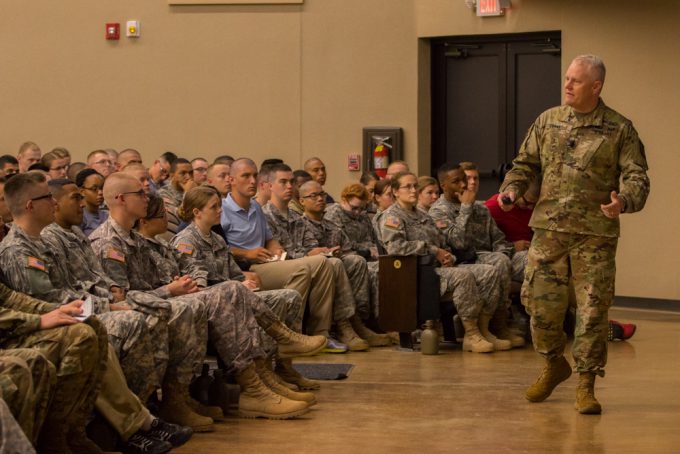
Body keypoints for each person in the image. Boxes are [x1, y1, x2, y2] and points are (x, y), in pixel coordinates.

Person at [497, 54, 650, 414]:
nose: (567, 85)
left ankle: (586, 383)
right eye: (567, 78)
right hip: (549, 230)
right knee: (539, 304)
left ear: (596, 87)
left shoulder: (619, 130)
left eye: (576, 81)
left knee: (592, 311)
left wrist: (623, 202)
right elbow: (524, 165)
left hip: (593, 236)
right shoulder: (547, 121)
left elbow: (638, 177)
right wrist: (512, 190)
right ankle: (553, 364)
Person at [167, 188, 327, 395]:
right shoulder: (185, 242)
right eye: (213, 207)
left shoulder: (217, 239)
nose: (219, 211)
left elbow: (235, 274)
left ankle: (283, 365)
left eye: (219, 206)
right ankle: (265, 368)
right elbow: (198, 286)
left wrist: (245, 281)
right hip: (211, 306)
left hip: (232, 296)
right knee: (235, 289)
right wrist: (236, 285)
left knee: (289, 296)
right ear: (197, 212)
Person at [89, 173, 215, 431]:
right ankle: (149, 405)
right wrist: (169, 291)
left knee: (193, 303)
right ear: (121, 199)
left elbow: (150, 283)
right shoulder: (108, 242)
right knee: (181, 307)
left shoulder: (134, 238)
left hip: (146, 303)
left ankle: (177, 397)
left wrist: (174, 286)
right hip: (122, 311)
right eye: (141, 194)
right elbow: (120, 298)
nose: (148, 198)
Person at [219, 159, 337, 347]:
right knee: (309, 268)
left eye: (254, 175)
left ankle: (319, 332)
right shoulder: (223, 210)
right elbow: (219, 249)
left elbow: (269, 238)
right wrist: (246, 253)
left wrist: (275, 248)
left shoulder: (256, 207)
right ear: (232, 180)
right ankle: (287, 336)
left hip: (265, 263)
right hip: (243, 267)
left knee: (323, 263)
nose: (252, 181)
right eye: (246, 176)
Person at [377, 172, 497, 353]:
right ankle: (471, 333)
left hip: (438, 269)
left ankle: (483, 329)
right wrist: (433, 251)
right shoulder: (392, 217)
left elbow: (444, 244)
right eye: (407, 186)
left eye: (415, 186)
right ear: (395, 191)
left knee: (489, 272)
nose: (413, 190)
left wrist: (450, 257)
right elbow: (396, 247)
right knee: (462, 276)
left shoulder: (423, 215)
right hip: (415, 274)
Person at [262, 164, 370, 351]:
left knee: (338, 261)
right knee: (330, 263)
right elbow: (276, 253)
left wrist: (321, 251)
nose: (289, 186)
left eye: (292, 182)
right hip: (279, 268)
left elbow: (310, 245)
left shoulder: (295, 218)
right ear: (269, 186)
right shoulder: (264, 216)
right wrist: (311, 254)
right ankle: (337, 327)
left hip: (305, 263)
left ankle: (331, 329)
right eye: (283, 182)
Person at [430, 163, 525, 348]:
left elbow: (498, 238)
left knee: (510, 259)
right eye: (456, 182)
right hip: (461, 259)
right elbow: (457, 243)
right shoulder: (438, 211)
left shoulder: (480, 209)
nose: (464, 185)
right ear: (444, 186)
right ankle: (493, 327)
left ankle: (500, 325)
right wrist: (465, 207)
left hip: (487, 256)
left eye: (464, 180)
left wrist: (502, 252)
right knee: (497, 262)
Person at [302, 181, 391, 346]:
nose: (320, 199)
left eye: (322, 195)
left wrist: (340, 253)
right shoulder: (300, 225)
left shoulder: (331, 226)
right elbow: (298, 253)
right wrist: (324, 253)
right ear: (302, 201)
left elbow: (349, 250)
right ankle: (344, 326)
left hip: (335, 263)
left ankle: (356, 321)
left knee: (356, 261)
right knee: (334, 264)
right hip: (313, 268)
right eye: (313, 196)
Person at [159, 158, 196, 234]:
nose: (188, 177)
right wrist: (188, 193)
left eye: (191, 173)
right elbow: (179, 217)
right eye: (183, 173)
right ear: (172, 175)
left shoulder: (196, 189)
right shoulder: (163, 193)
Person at [76, 169, 109, 236]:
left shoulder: (107, 215)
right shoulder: (78, 218)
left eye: (102, 188)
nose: (100, 192)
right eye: (94, 189)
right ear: (82, 191)